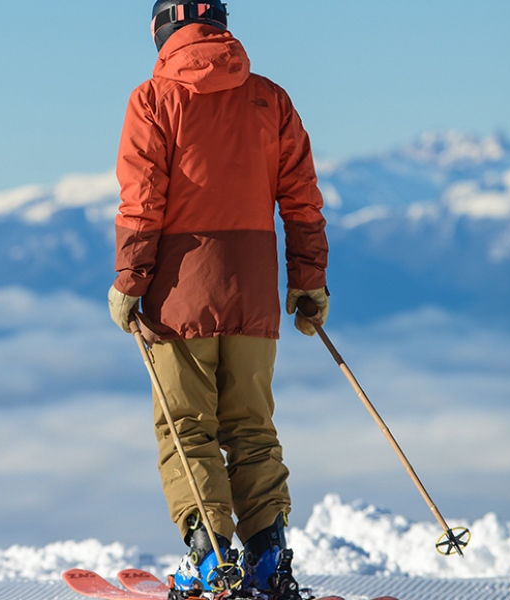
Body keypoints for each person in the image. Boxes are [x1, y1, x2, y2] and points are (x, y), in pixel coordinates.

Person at [107, 2, 329, 599]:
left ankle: (212, 561)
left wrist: (129, 283)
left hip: (177, 295)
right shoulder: (269, 99)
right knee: (253, 427)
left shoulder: (152, 100)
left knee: (187, 428)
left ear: (160, 32)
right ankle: (269, 559)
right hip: (253, 290)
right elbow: (302, 198)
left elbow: (142, 202)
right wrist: (307, 280)